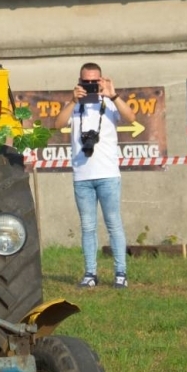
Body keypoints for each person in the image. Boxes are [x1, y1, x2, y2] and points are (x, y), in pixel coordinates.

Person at [58, 63, 132, 288]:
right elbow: (58, 123)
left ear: (101, 80)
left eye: (94, 81)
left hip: (108, 174)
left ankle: (121, 272)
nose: (90, 86)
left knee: (113, 224)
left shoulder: (110, 103)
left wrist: (114, 94)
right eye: (86, 82)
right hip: (82, 176)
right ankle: (90, 273)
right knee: (88, 226)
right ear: (79, 82)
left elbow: (131, 117)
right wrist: (72, 101)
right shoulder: (75, 105)